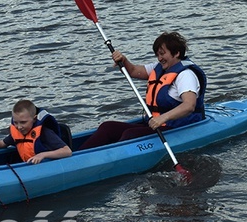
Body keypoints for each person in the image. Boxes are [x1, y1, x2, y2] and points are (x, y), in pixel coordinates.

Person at [79, 32, 207, 150]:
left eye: (162, 53)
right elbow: (134, 71)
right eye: (157, 54)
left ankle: (108, 159)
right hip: (156, 125)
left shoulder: (186, 75)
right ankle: (78, 156)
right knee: (108, 127)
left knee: (130, 134)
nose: (159, 58)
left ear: (177, 53)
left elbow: (189, 106)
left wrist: (163, 118)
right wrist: (123, 60)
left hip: (178, 127)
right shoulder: (159, 68)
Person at [0, 100, 72, 164]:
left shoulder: (45, 133)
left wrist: (43, 155)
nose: (19, 127)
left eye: (23, 122)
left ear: (34, 119)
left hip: (47, 164)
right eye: (16, 122)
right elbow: (2, 143)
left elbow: (67, 151)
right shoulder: (18, 133)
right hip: (29, 165)